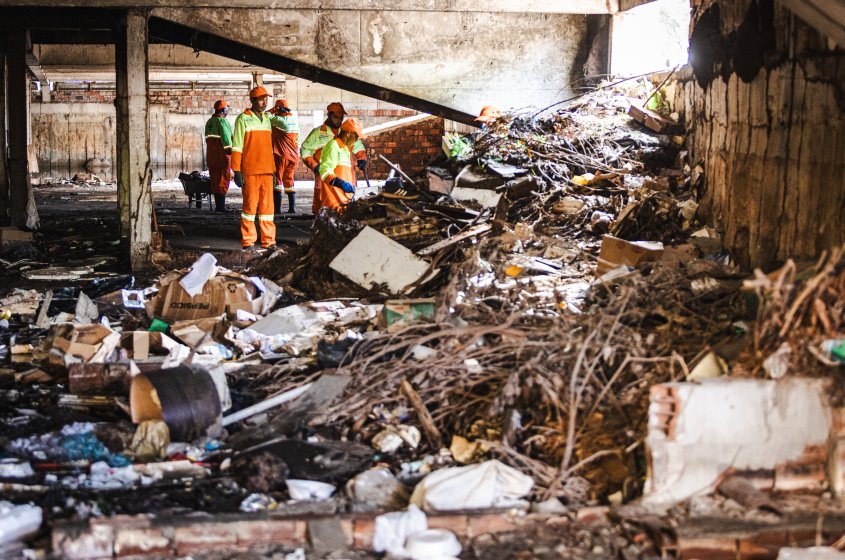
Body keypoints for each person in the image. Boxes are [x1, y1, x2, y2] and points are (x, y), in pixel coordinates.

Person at [230, 86, 291, 252]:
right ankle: (248, 241)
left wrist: (272, 170)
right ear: (253, 100)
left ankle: (269, 242)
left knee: (267, 210)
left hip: (266, 170)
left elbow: (269, 149)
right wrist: (236, 170)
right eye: (261, 99)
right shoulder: (243, 119)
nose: (265, 102)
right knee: (249, 209)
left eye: (266, 99)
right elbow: (237, 146)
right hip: (249, 171)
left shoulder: (267, 119)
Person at [300, 102, 367, 215]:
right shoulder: (319, 133)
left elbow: (358, 146)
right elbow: (305, 150)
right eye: (336, 117)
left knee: (345, 206)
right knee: (322, 204)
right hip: (326, 175)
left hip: (345, 176)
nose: (339, 120)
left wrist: (362, 158)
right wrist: (314, 165)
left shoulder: (346, 132)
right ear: (329, 115)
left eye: (341, 118)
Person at [317, 118, 367, 211]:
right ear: (348, 133)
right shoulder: (333, 146)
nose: (356, 140)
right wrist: (341, 183)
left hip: (343, 201)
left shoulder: (345, 150)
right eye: (356, 137)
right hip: (333, 203)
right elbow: (324, 170)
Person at [268, 99, 300, 214]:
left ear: (279, 109)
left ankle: (277, 210)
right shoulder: (294, 120)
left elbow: (264, 115)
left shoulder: (280, 120)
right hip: (293, 156)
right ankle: (292, 208)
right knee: (289, 181)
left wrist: (273, 110)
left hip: (281, 155)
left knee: (277, 182)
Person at [204, 100, 233, 213]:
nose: (228, 110)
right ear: (223, 110)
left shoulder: (209, 122)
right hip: (222, 156)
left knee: (215, 180)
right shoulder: (222, 122)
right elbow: (226, 140)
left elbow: (207, 139)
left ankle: (218, 207)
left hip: (211, 156)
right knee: (223, 179)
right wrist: (231, 152)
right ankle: (220, 207)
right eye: (227, 108)